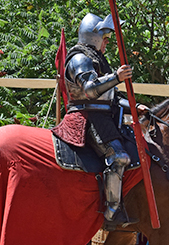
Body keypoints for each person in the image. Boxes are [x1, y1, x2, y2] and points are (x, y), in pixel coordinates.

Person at [52, 12, 147, 231]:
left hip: (103, 115)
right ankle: (112, 212)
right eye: (104, 38)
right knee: (119, 158)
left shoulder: (96, 59)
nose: (107, 43)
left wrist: (135, 107)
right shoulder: (80, 58)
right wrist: (116, 77)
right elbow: (90, 90)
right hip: (86, 117)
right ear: (93, 37)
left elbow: (110, 97)